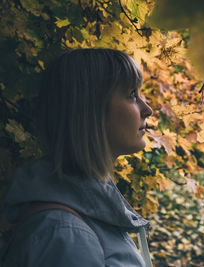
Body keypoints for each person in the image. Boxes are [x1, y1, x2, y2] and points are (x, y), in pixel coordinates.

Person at [1, 48, 154, 266]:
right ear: (91, 110)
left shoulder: (82, 219)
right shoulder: (63, 234)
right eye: (131, 94)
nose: (147, 109)